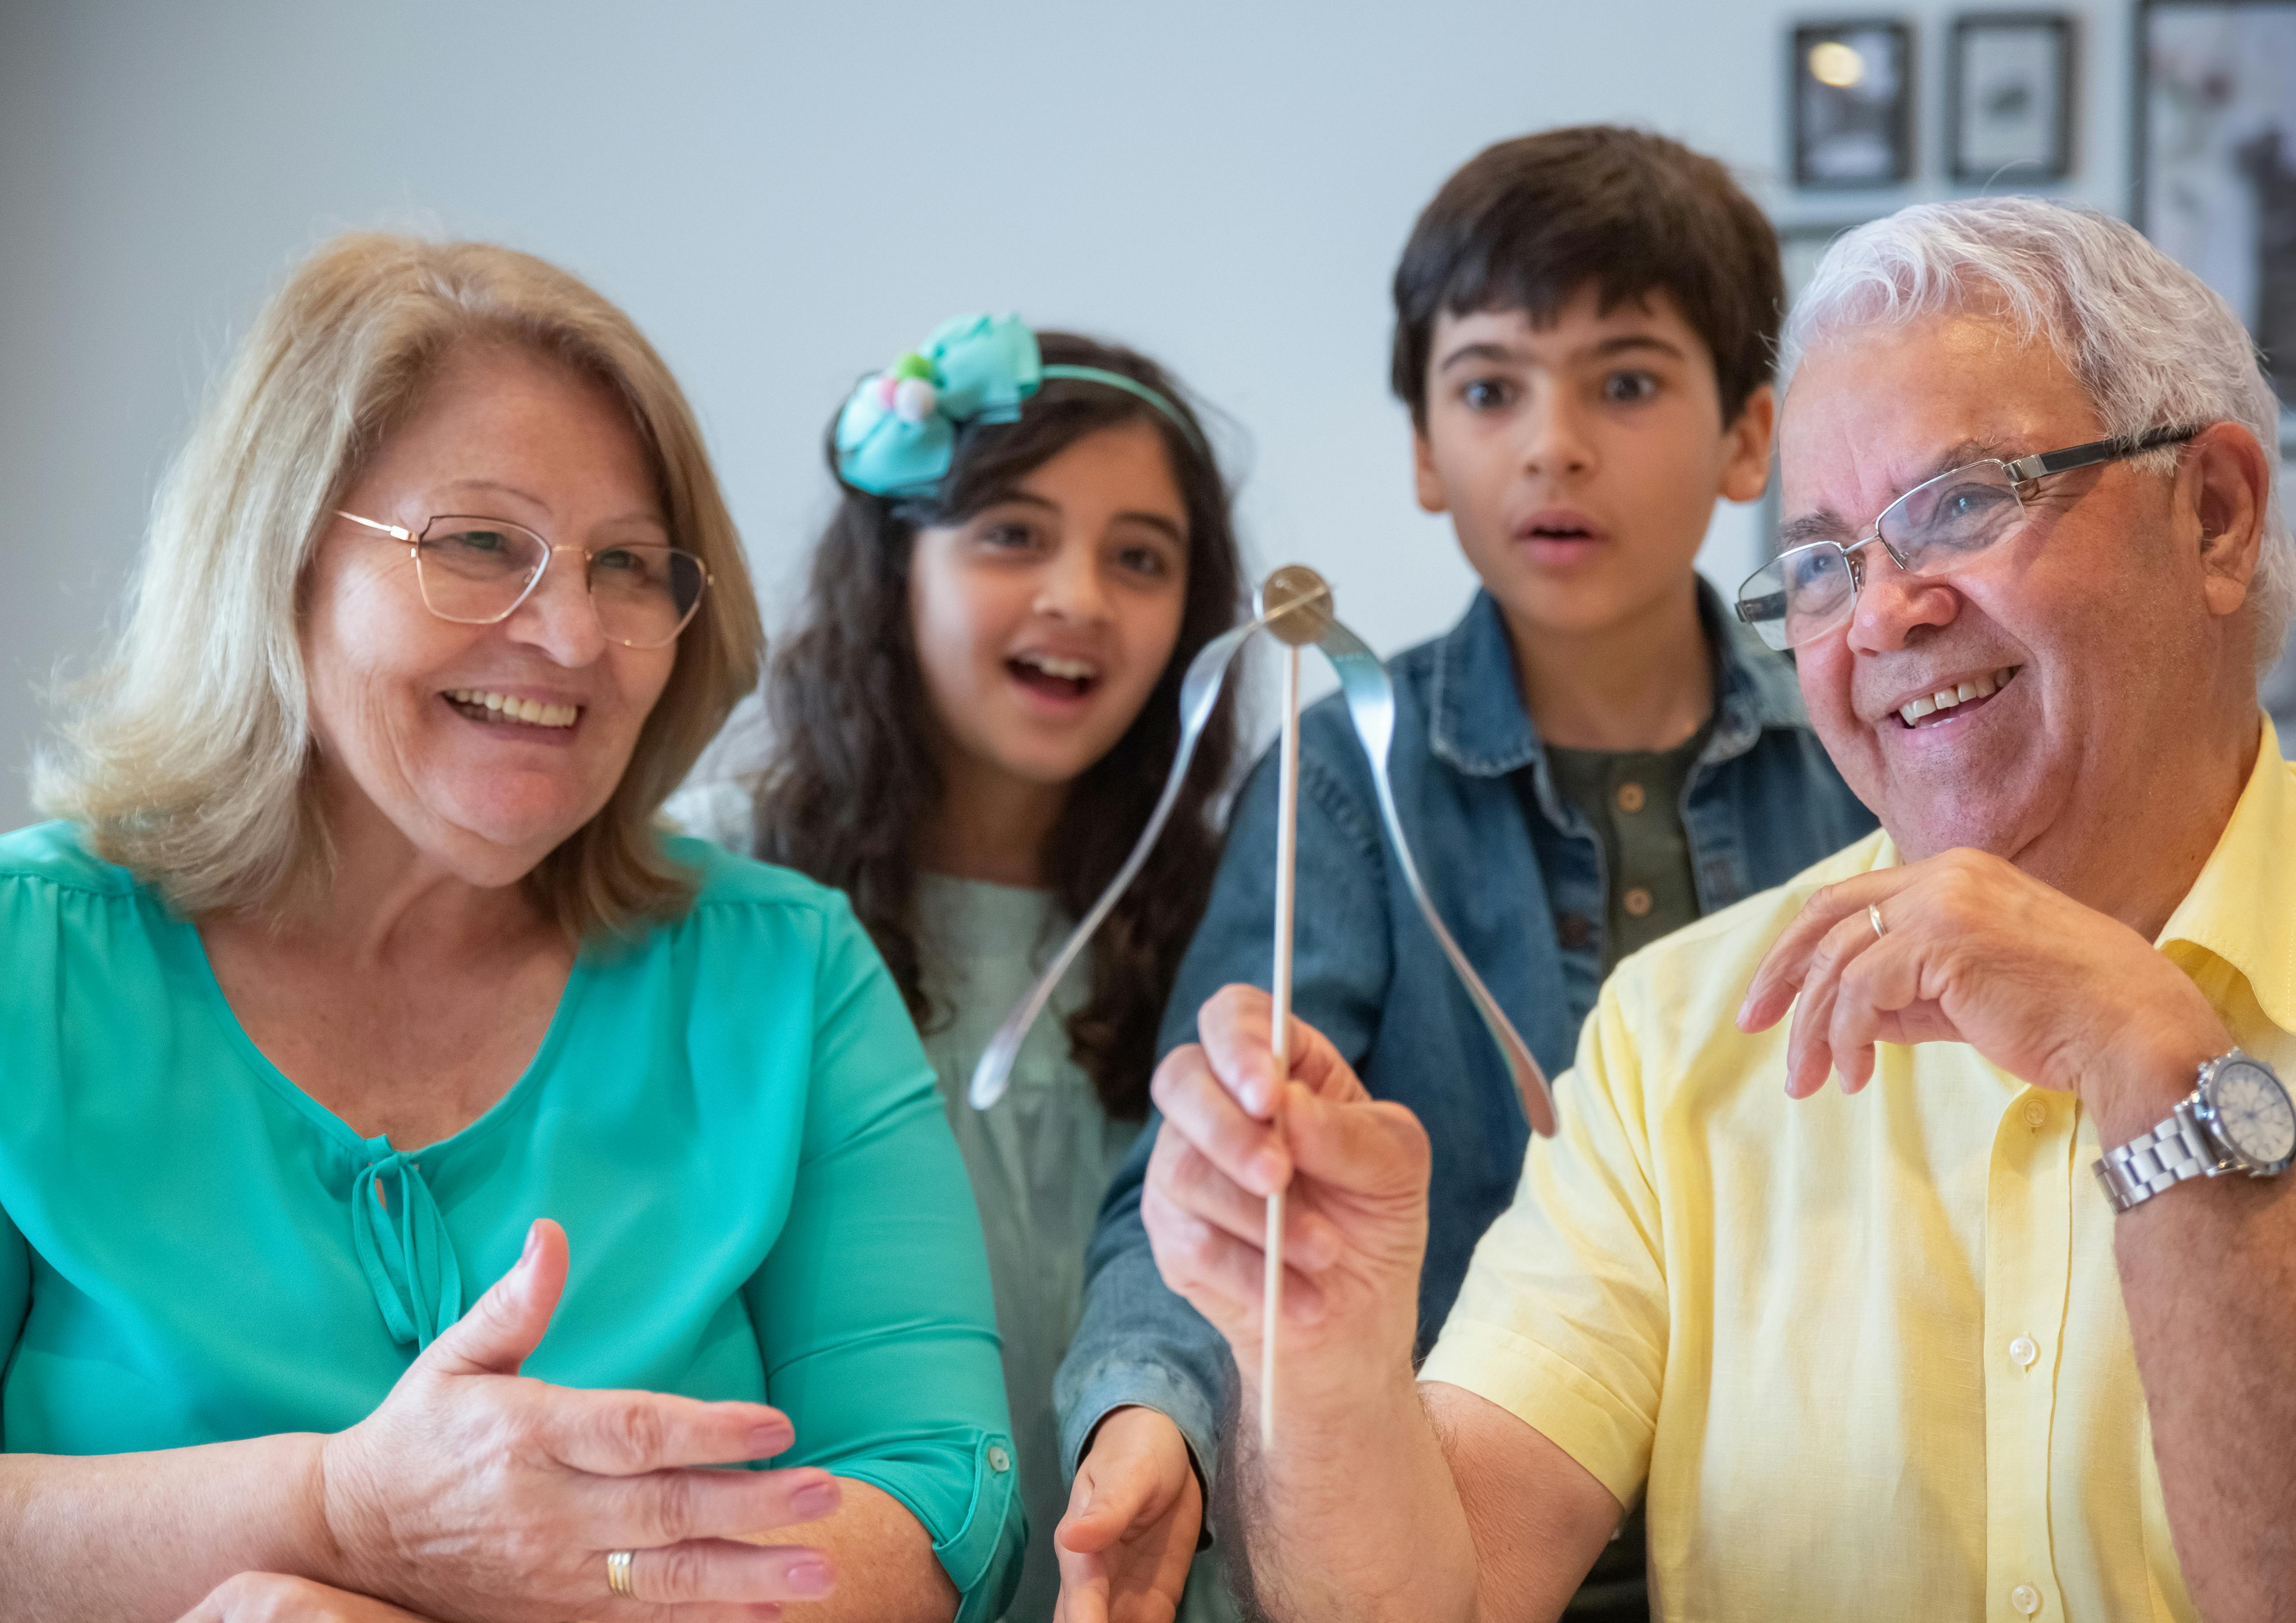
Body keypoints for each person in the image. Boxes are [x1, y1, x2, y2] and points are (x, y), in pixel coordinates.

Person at [1138, 195, 2296, 1622]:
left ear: (2216, 515)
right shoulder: (1678, 1035)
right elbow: (1431, 1595)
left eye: (1964, 502)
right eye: (1822, 563)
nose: (1882, 616)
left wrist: (2158, 1069)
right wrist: (1318, 1370)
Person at [0, 235, 1021, 1623]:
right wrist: (339, 1513)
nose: (572, 635)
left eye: (629, 567)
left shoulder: (789, 973)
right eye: (480, 544)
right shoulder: (29, 958)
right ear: (280, 558)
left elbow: (936, 1507)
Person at [1053, 126, 1875, 1620]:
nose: (1553, 444)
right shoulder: (1341, 783)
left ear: (1752, 434)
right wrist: (1144, 1417)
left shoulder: (1863, 742)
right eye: (1492, 388)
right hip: (1453, 1556)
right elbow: (1200, 1188)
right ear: (1429, 451)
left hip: (1819, 1549)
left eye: (1626, 383)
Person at [671, 313, 1246, 1623]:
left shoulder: (1234, 918)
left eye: (1141, 558)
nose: (1080, 597)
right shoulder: (716, 892)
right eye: (1013, 533)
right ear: (896, 565)